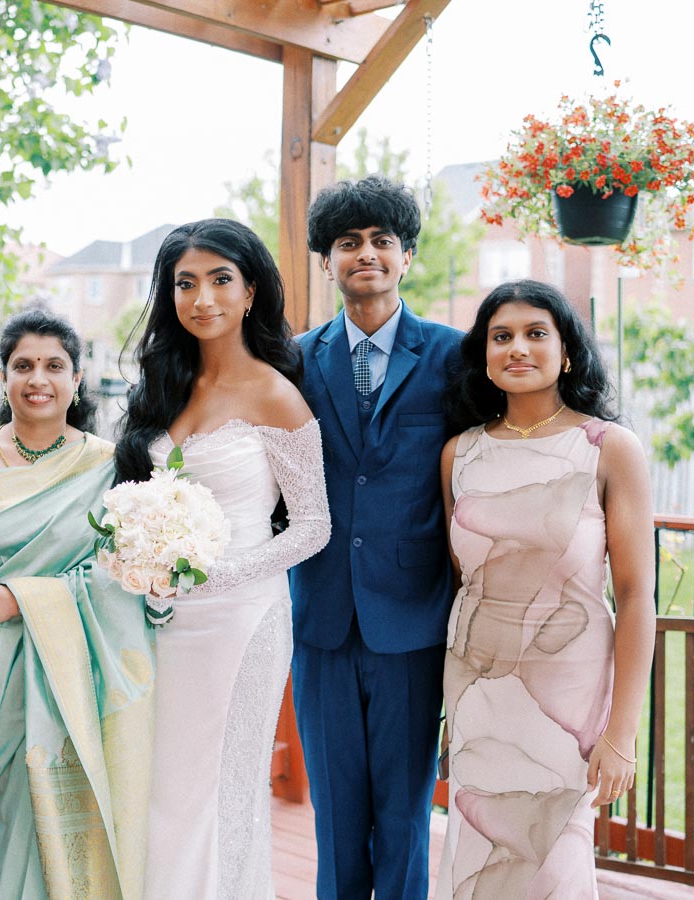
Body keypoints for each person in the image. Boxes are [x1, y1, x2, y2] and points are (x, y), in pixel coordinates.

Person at [115, 218, 330, 900]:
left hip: (242, 620)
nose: (201, 297)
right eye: (185, 283)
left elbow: (314, 526)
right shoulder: (164, 387)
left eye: (218, 280)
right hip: (160, 623)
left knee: (224, 788)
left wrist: (222, 574)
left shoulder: (276, 393)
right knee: (162, 788)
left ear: (249, 292)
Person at [0, 308, 155, 900]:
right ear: (3, 378)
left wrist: (23, 598)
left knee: (60, 826)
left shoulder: (109, 466)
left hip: (74, 680)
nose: (38, 379)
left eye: (55, 366)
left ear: (77, 379)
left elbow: (117, 578)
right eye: (22, 365)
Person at [436, 279, 655, 897]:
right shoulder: (460, 453)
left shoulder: (610, 448)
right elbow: (463, 578)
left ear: (566, 352)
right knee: (478, 854)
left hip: (570, 694)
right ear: (483, 354)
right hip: (477, 685)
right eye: (500, 337)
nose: (517, 349)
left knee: (556, 861)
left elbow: (637, 596)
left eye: (536, 334)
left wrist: (622, 733)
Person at [288, 175, 462, 899]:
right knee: (335, 815)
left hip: (413, 618)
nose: (366, 254)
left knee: (405, 815)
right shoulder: (292, 359)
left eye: (381, 241)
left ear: (406, 257)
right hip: (320, 617)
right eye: (348, 242)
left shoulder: (454, 357)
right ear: (326, 261)